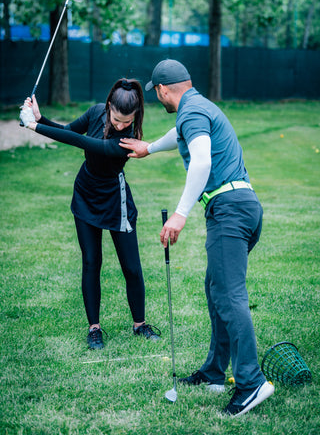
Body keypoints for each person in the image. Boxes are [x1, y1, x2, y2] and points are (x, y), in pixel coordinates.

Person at [119, 60, 274, 416]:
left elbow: (201, 161)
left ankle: (250, 383)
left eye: (156, 94)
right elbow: (181, 136)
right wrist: (150, 148)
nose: (158, 99)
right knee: (216, 287)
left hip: (229, 211)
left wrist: (180, 212)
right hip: (242, 206)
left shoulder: (189, 112)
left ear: (161, 90)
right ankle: (215, 372)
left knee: (228, 293)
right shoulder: (198, 106)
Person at [19, 79, 161, 350]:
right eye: (117, 119)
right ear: (108, 107)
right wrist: (39, 117)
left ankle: (139, 324)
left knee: (131, 266)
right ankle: (94, 328)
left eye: (127, 121)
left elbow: (79, 141)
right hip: (86, 193)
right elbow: (68, 131)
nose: (121, 125)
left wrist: (33, 126)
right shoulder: (96, 112)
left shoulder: (127, 139)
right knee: (91, 261)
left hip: (114, 198)